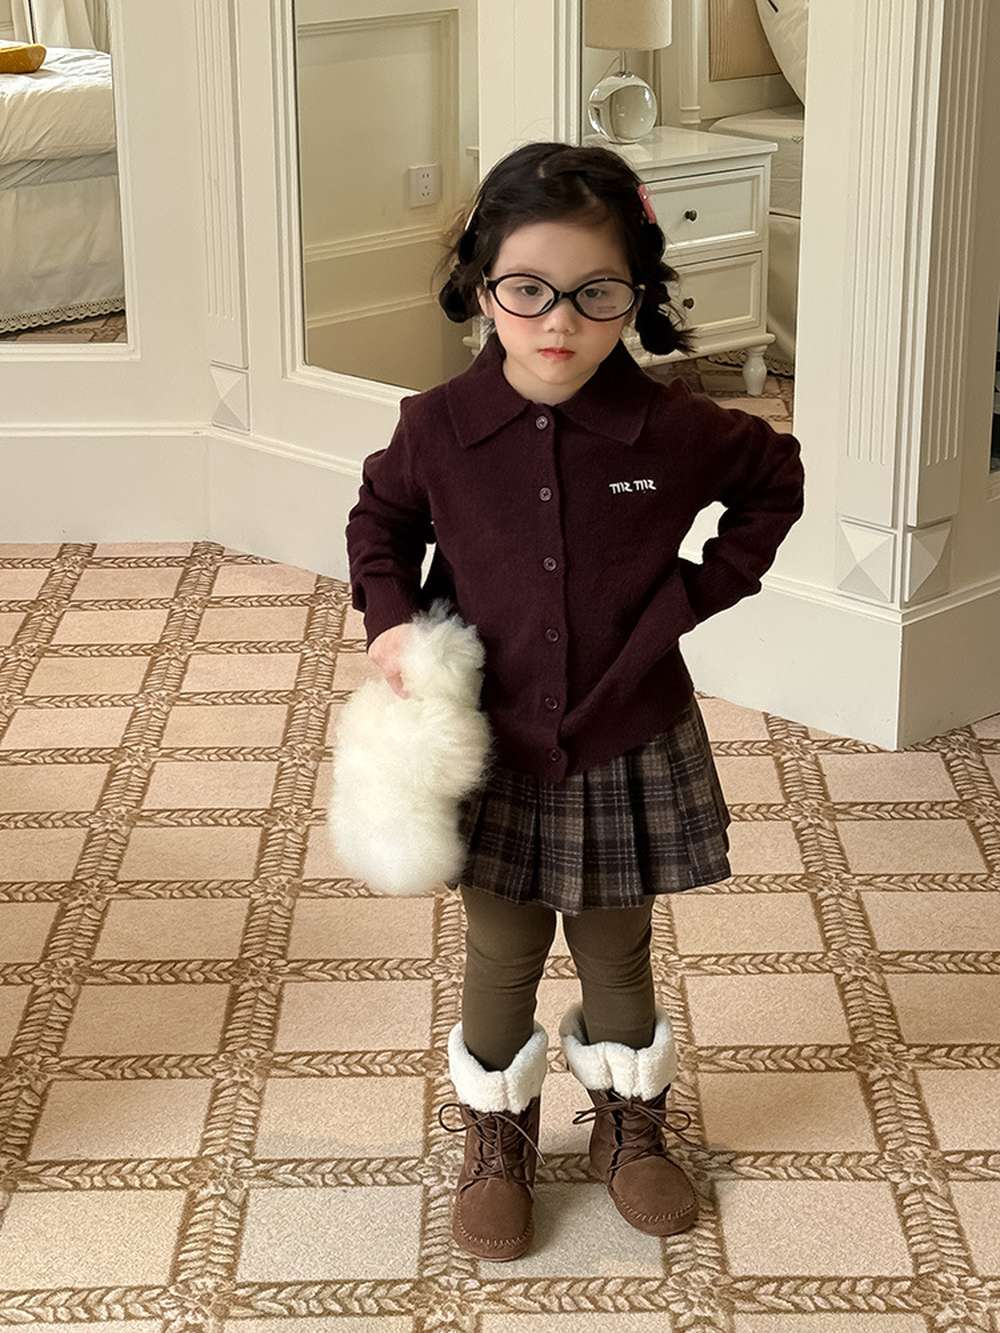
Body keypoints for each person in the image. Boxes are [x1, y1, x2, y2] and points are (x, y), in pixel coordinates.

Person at [345, 141, 805, 1262]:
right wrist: (391, 618)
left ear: (636, 294)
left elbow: (773, 482)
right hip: (492, 738)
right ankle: (497, 1138)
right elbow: (380, 520)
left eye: (597, 294)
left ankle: (631, 1128)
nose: (559, 322)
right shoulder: (436, 426)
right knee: (501, 948)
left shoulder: (677, 427)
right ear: (480, 287)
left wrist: (693, 594)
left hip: (625, 734)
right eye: (528, 290)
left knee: (617, 947)